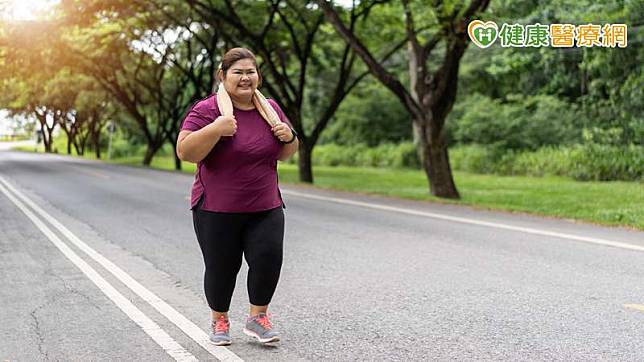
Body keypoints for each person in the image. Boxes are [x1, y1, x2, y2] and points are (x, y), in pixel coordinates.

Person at [175, 47, 298, 345]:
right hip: (217, 207)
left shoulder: (269, 107)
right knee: (222, 267)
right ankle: (219, 320)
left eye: (250, 72)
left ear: (258, 75)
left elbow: (287, 151)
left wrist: (290, 137)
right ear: (223, 75)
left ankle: (258, 318)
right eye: (238, 72)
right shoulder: (207, 110)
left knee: (268, 258)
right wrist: (216, 128)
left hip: (265, 203)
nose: (245, 78)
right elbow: (185, 151)